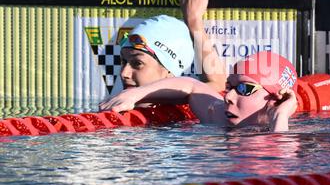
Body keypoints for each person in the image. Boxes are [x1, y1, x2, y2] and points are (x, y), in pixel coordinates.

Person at [100, 51, 299, 132]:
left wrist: (280, 117)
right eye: (229, 87)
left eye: (244, 89)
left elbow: (281, 163)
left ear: (275, 99)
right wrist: (136, 94)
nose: (228, 96)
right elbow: (191, 85)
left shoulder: (283, 130)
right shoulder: (219, 115)